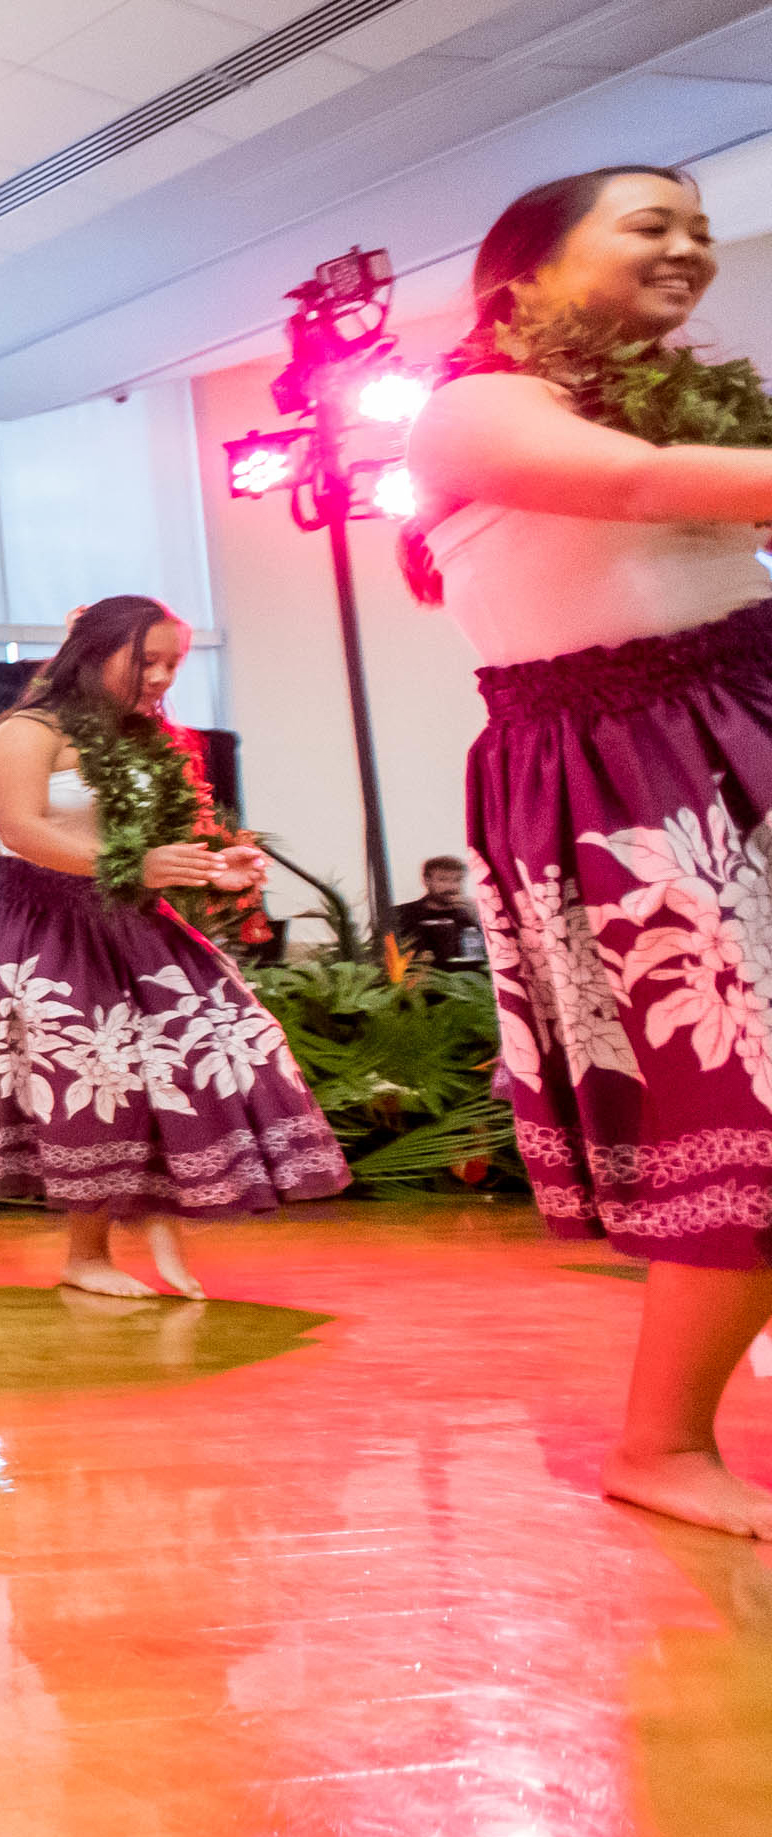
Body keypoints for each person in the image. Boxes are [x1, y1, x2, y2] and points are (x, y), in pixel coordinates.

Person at [402, 163, 772, 1539]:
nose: (690, 247)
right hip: (639, 768)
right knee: (741, 1107)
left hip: (746, 718)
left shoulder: (678, 397)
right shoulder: (474, 406)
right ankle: (661, 1442)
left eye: (698, 227)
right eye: (648, 226)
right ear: (527, 272)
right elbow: (630, 485)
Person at [0, 597, 348, 1298]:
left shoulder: (144, 739)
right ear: (95, 650)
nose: (163, 676)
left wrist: (216, 865)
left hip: (134, 917)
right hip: (45, 922)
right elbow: (20, 830)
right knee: (96, 1073)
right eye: (147, 660)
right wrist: (134, 863)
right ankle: (86, 1255)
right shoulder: (26, 732)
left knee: (219, 1045)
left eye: (173, 662)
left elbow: (171, 842)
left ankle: (162, 1211)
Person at [389, 855, 487, 972]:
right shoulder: (402, 914)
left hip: (471, 986)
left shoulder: (473, 913)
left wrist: (477, 917)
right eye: (443, 880)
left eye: (458, 880)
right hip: (420, 985)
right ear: (426, 880)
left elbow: (494, 953)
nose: (451, 887)